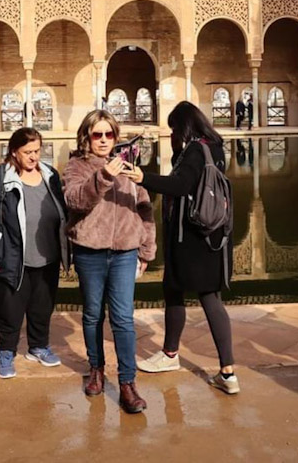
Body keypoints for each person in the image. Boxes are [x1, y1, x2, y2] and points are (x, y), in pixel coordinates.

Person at [126, 102, 239, 394]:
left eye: (174, 128)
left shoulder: (193, 151)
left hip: (189, 238)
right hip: (213, 236)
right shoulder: (214, 147)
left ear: (183, 126)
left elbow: (180, 186)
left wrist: (142, 177)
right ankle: (228, 373)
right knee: (211, 298)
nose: (172, 133)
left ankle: (170, 354)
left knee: (173, 290)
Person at [63, 110, 156, 413]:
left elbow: (144, 207)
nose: (104, 140)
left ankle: (128, 383)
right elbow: (75, 200)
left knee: (123, 319)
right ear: (87, 137)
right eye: (97, 135)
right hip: (90, 252)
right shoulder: (77, 166)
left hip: (124, 253)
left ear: (116, 137)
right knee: (92, 315)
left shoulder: (128, 166)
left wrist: (146, 250)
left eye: (109, 134)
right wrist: (104, 176)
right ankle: (96, 370)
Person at [0, 127, 70, 379]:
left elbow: (62, 212)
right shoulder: (0, 178)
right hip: (13, 257)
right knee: (10, 309)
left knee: (42, 306)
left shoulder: (50, 175)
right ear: (14, 152)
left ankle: (38, 347)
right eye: (27, 152)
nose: (33, 157)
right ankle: (6, 352)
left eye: (37, 151)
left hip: (47, 256)